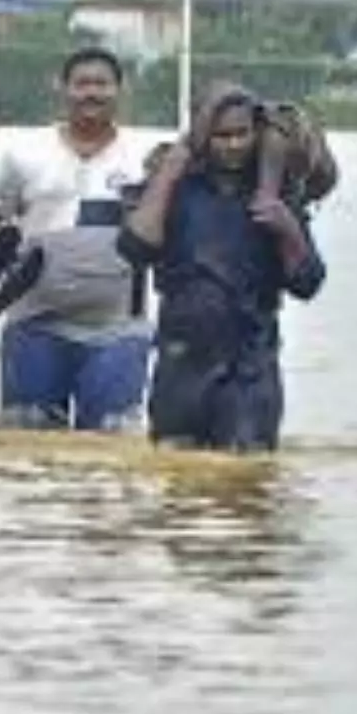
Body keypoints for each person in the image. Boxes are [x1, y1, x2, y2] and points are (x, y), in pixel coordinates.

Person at [117, 82, 327, 452]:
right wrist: (169, 173)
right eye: (221, 136)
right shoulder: (175, 187)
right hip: (181, 357)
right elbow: (135, 248)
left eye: (241, 134)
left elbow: (307, 282)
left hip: (251, 362)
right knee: (175, 471)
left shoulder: (277, 193)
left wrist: (288, 229)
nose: (232, 145)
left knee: (246, 466)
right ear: (201, 136)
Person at [0, 47, 152, 432]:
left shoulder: (145, 158)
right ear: (62, 89)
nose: (91, 93)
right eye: (82, 84)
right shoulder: (25, 153)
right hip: (35, 323)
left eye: (102, 84)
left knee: (111, 442)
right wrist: (4, 250)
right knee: (27, 442)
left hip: (118, 328)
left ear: (120, 90)